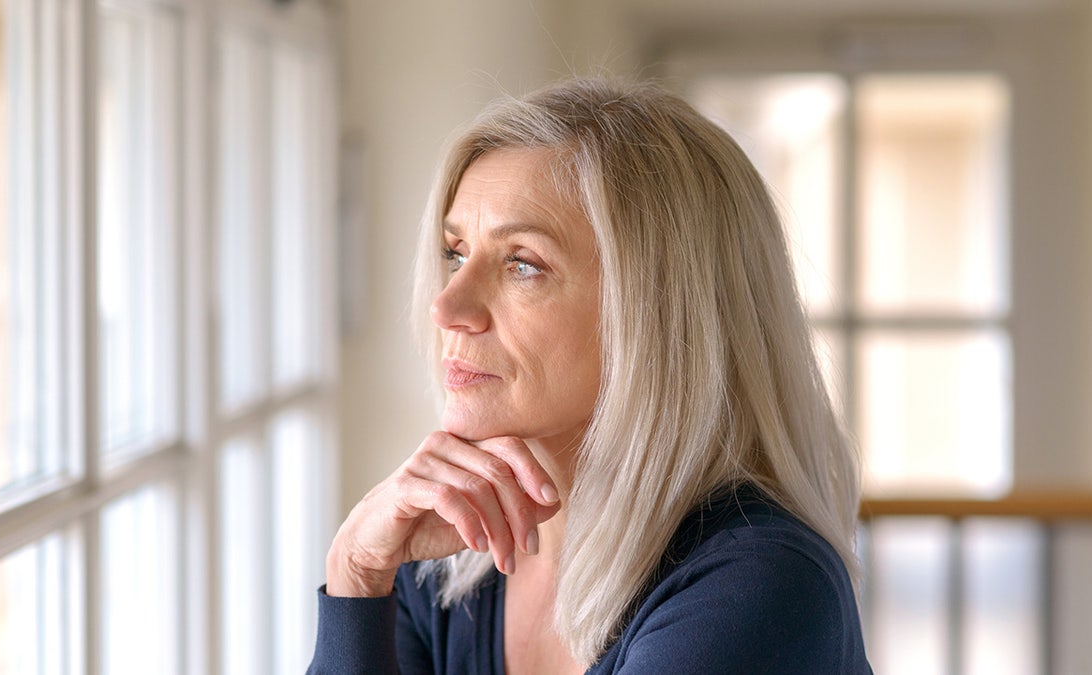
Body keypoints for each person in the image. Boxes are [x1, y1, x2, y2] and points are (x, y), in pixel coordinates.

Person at [308, 78, 872, 674]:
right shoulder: (447, 570)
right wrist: (354, 573)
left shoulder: (760, 587)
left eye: (522, 263)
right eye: (456, 253)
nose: (446, 307)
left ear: (658, 314)